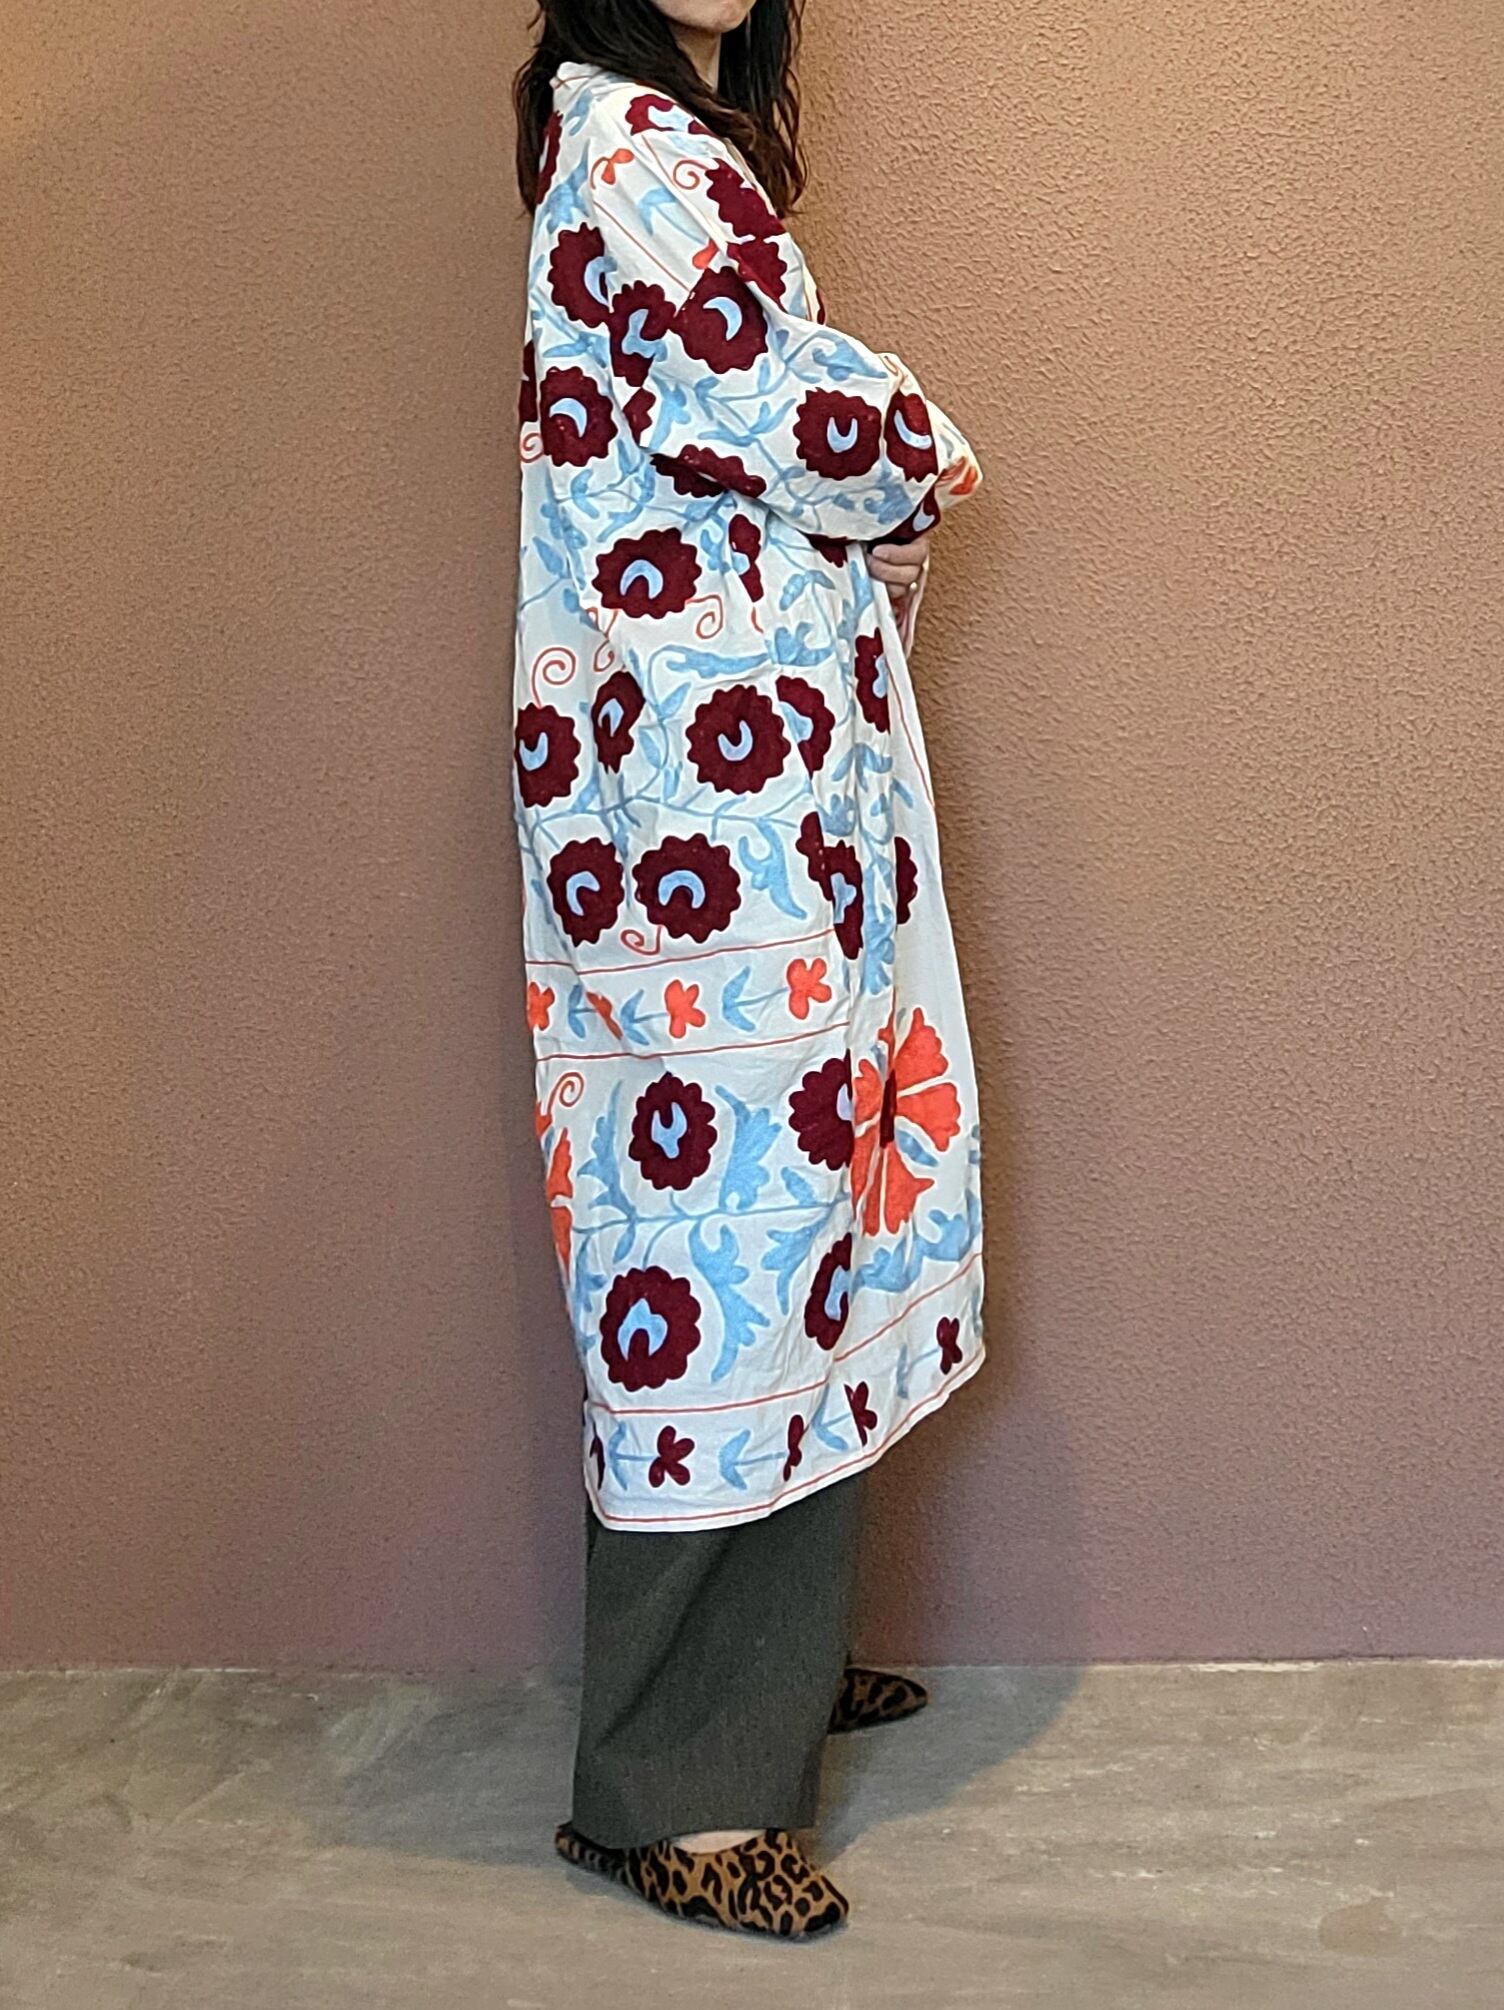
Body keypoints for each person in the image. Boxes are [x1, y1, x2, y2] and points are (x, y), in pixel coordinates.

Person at [510, 0, 985, 1939]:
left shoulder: (671, 142)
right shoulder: (630, 155)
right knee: (712, 1265)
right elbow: (788, 407)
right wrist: (926, 447)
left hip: (756, 812)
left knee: (784, 1228)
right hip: (698, 824)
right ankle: (678, 1794)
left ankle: (758, 1674)